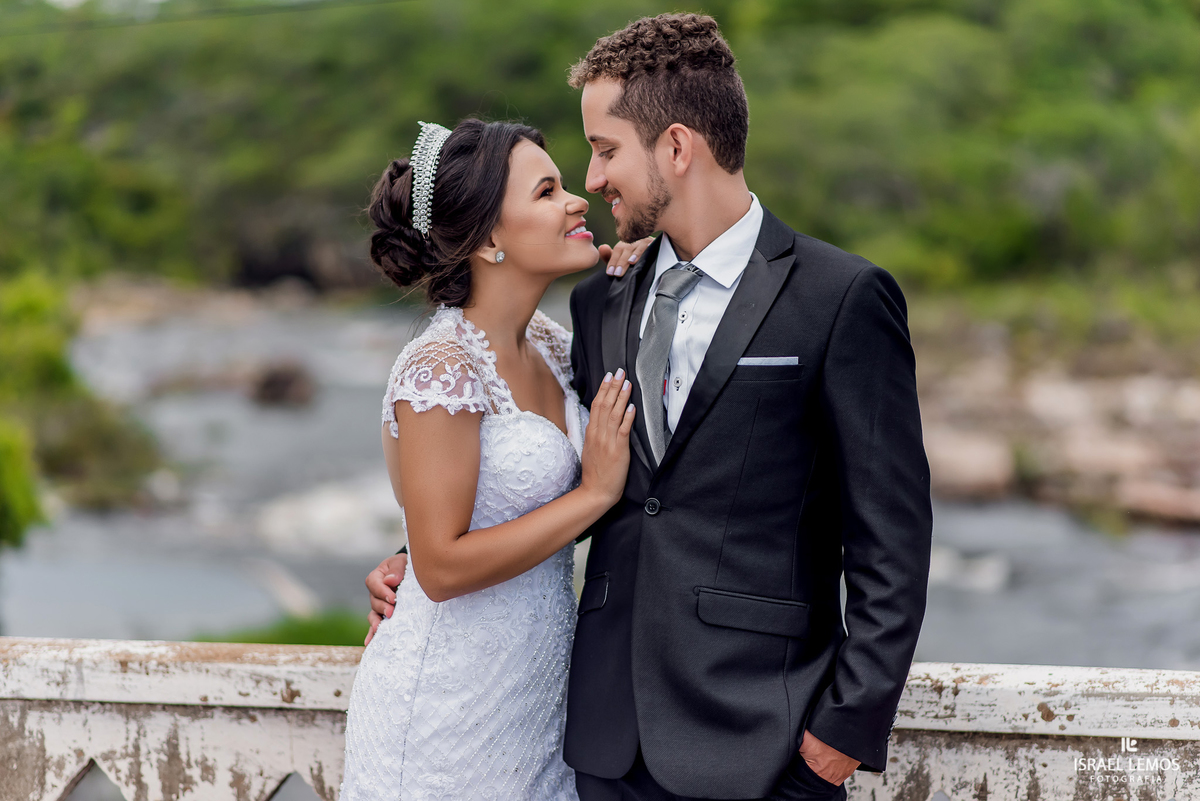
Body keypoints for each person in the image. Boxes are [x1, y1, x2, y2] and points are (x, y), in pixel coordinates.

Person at [367, 14, 932, 801]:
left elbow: (892, 541)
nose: (592, 180)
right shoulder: (599, 303)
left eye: (604, 151)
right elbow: (545, 471)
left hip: (762, 744)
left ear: (675, 148)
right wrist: (414, 555)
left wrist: (842, 733)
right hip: (599, 744)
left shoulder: (841, 298)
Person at [338, 117, 652, 801]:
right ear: (487, 240)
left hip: (536, 699)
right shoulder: (440, 366)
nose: (577, 201)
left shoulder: (555, 345)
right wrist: (592, 495)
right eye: (547, 192)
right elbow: (441, 568)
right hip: (444, 709)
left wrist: (643, 272)